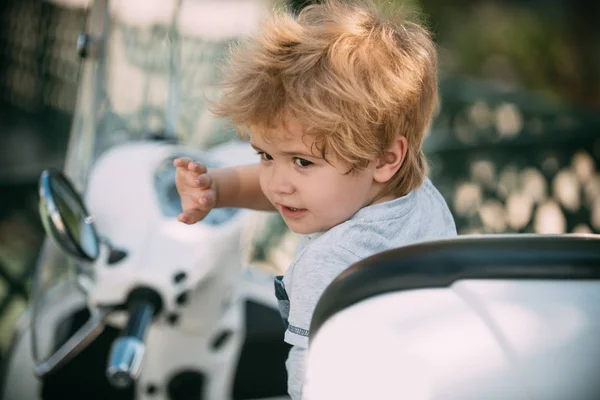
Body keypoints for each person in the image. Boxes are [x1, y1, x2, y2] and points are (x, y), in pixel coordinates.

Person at [174, 0, 457, 398]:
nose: (277, 183)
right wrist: (218, 189)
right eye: (266, 155)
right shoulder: (414, 196)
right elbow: (286, 188)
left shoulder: (330, 264)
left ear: (385, 159)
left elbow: (311, 378)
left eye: (303, 161)